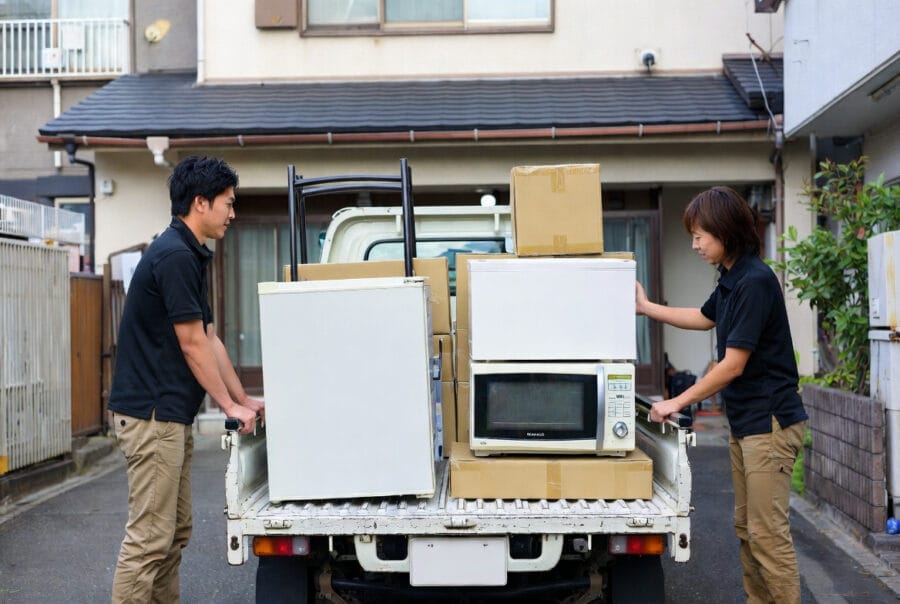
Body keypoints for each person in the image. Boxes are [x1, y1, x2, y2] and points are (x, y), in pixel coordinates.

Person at [635, 186, 808, 604]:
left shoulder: (755, 281)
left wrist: (677, 401)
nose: (694, 245)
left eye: (699, 236)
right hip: (748, 422)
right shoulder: (732, 278)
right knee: (748, 530)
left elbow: (733, 365)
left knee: (767, 536)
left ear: (725, 231)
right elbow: (703, 317)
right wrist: (646, 308)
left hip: (770, 422)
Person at [108, 156, 264, 603]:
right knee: (149, 540)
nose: (233, 213)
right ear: (200, 202)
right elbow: (191, 344)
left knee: (174, 534)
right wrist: (229, 408)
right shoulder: (175, 255)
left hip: (170, 416)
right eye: (228, 203)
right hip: (152, 416)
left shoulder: (189, 253)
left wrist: (243, 399)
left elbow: (210, 338)